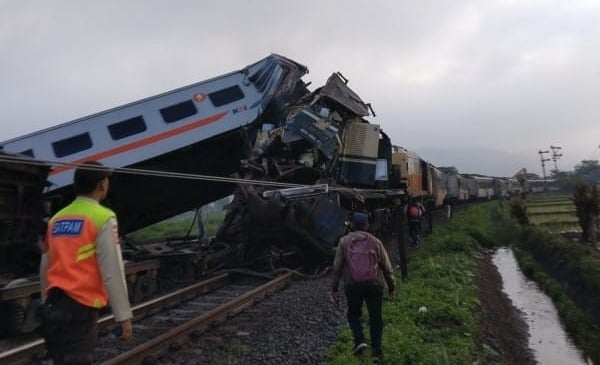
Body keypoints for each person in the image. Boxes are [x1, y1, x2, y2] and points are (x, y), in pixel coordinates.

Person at [39, 161, 132, 365]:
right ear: (102, 185)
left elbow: (45, 266)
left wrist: (45, 302)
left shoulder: (56, 219)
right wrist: (123, 315)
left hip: (54, 307)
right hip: (81, 308)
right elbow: (112, 270)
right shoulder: (103, 217)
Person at [331, 212, 395, 361]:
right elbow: (386, 266)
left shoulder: (344, 242)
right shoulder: (375, 241)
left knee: (353, 315)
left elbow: (337, 267)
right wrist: (391, 287)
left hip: (353, 285)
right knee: (376, 318)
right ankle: (377, 352)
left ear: (352, 225)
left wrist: (334, 288)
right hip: (374, 285)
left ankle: (360, 340)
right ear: (367, 225)